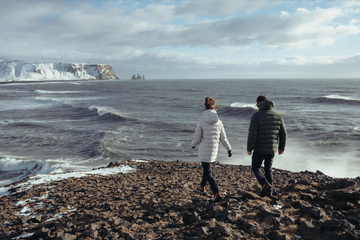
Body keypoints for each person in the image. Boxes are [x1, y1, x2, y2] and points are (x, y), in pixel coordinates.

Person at [191, 97, 232, 202]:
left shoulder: (201, 122)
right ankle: (202, 186)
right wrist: (229, 149)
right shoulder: (219, 122)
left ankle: (216, 194)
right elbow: (223, 138)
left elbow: (197, 138)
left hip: (204, 150)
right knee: (207, 169)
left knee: (208, 173)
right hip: (214, 151)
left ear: (205, 109)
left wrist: (193, 145)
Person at [247, 95, 287, 197]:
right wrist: (281, 147)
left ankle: (264, 184)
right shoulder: (278, 115)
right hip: (271, 149)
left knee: (255, 167)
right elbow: (283, 133)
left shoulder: (256, 116)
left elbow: (252, 134)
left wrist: (249, 148)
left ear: (258, 103)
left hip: (259, 149)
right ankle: (270, 191)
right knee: (268, 169)